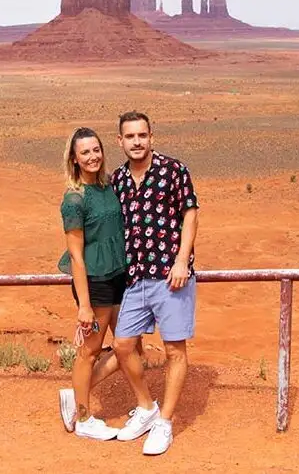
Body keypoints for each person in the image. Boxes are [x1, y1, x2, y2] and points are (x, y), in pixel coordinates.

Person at [109, 111, 200, 456]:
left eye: (142, 135)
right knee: (122, 345)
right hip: (136, 277)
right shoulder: (117, 179)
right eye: (130, 136)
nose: (137, 142)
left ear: (151, 137)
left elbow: (190, 213)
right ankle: (146, 407)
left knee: (175, 350)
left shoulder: (173, 170)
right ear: (120, 141)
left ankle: (164, 422)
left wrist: (181, 260)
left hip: (170, 277)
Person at [54, 127, 129, 440]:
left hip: (118, 274)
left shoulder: (108, 184)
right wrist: (84, 305)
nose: (92, 156)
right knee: (90, 350)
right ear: (74, 158)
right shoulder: (74, 200)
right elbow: (76, 258)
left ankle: (76, 394)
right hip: (94, 281)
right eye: (84, 152)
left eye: (96, 149)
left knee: (128, 344)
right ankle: (84, 419)